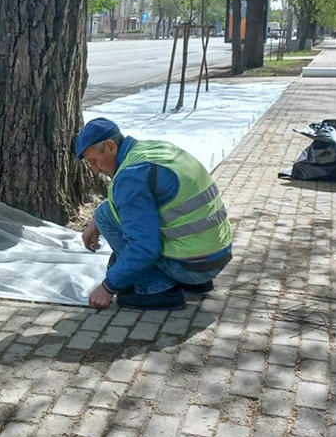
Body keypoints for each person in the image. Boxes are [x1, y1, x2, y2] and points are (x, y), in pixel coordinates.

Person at [75, 118, 234, 311]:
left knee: (105, 216)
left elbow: (144, 247)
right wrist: (97, 220)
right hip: (213, 258)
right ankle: (193, 282)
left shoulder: (131, 176)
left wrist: (108, 287)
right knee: (104, 212)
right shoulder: (152, 150)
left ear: (110, 147)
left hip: (191, 267)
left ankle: (156, 288)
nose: (94, 170)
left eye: (94, 161)